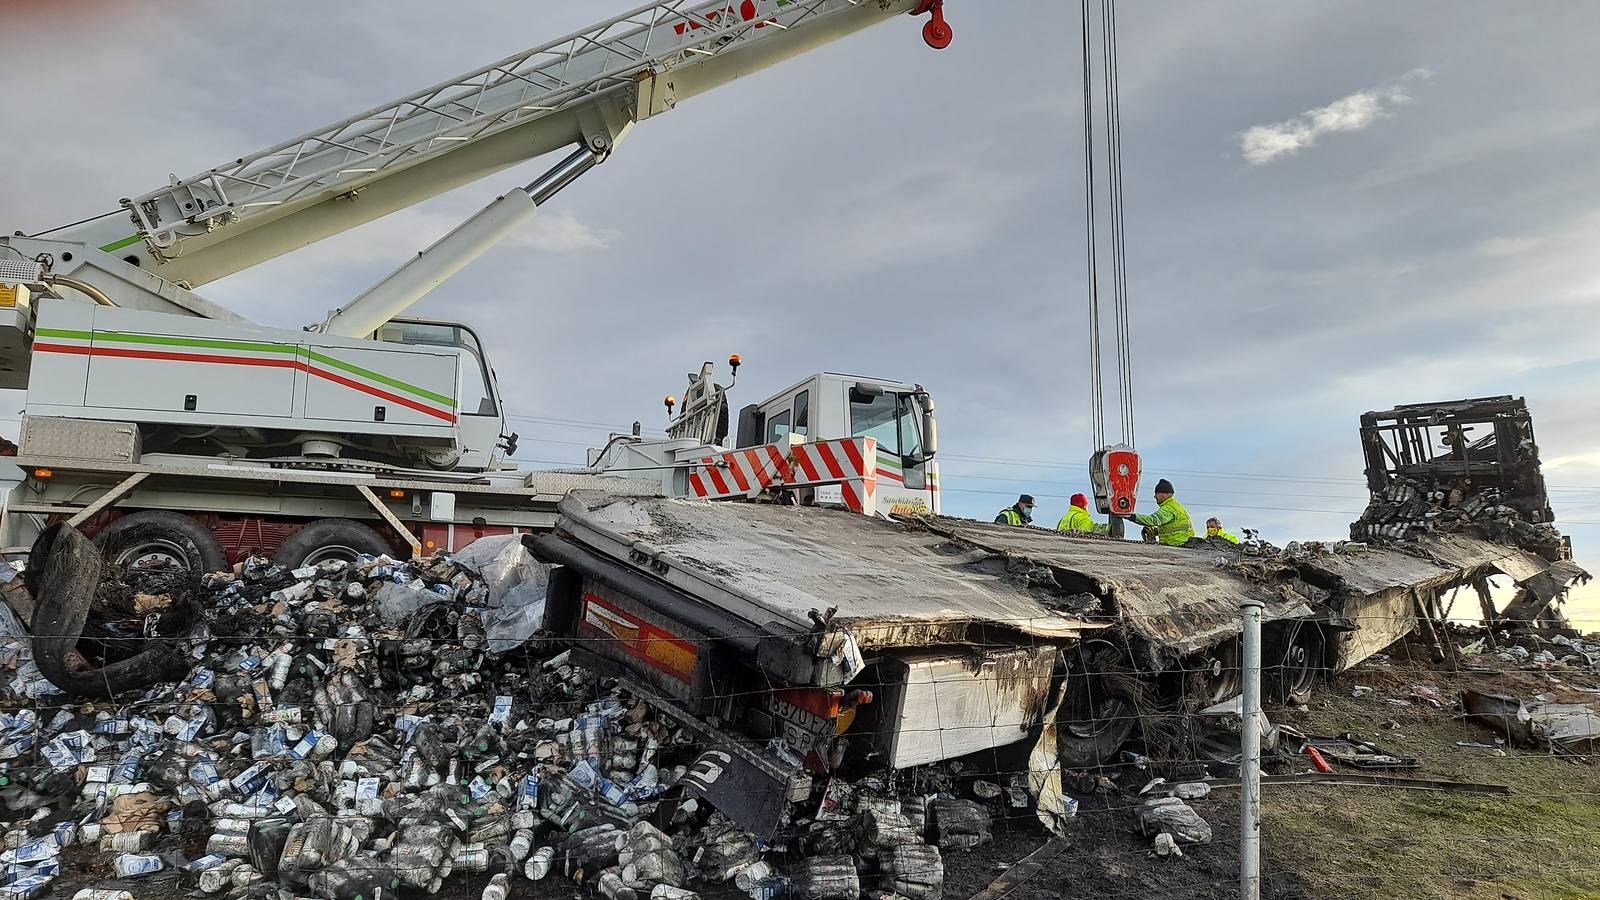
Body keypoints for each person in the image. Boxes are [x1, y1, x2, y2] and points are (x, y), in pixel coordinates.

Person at [1124, 478, 1194, 546]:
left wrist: (1131, 516)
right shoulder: (1175, 505)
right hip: (1182, 542)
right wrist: (1155, 531)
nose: (1154, 496)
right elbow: (1173, 528)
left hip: (1177, 544)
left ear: (1165, 494)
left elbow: (1153, 520)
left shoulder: (1169, 508)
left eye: (1157, 493)